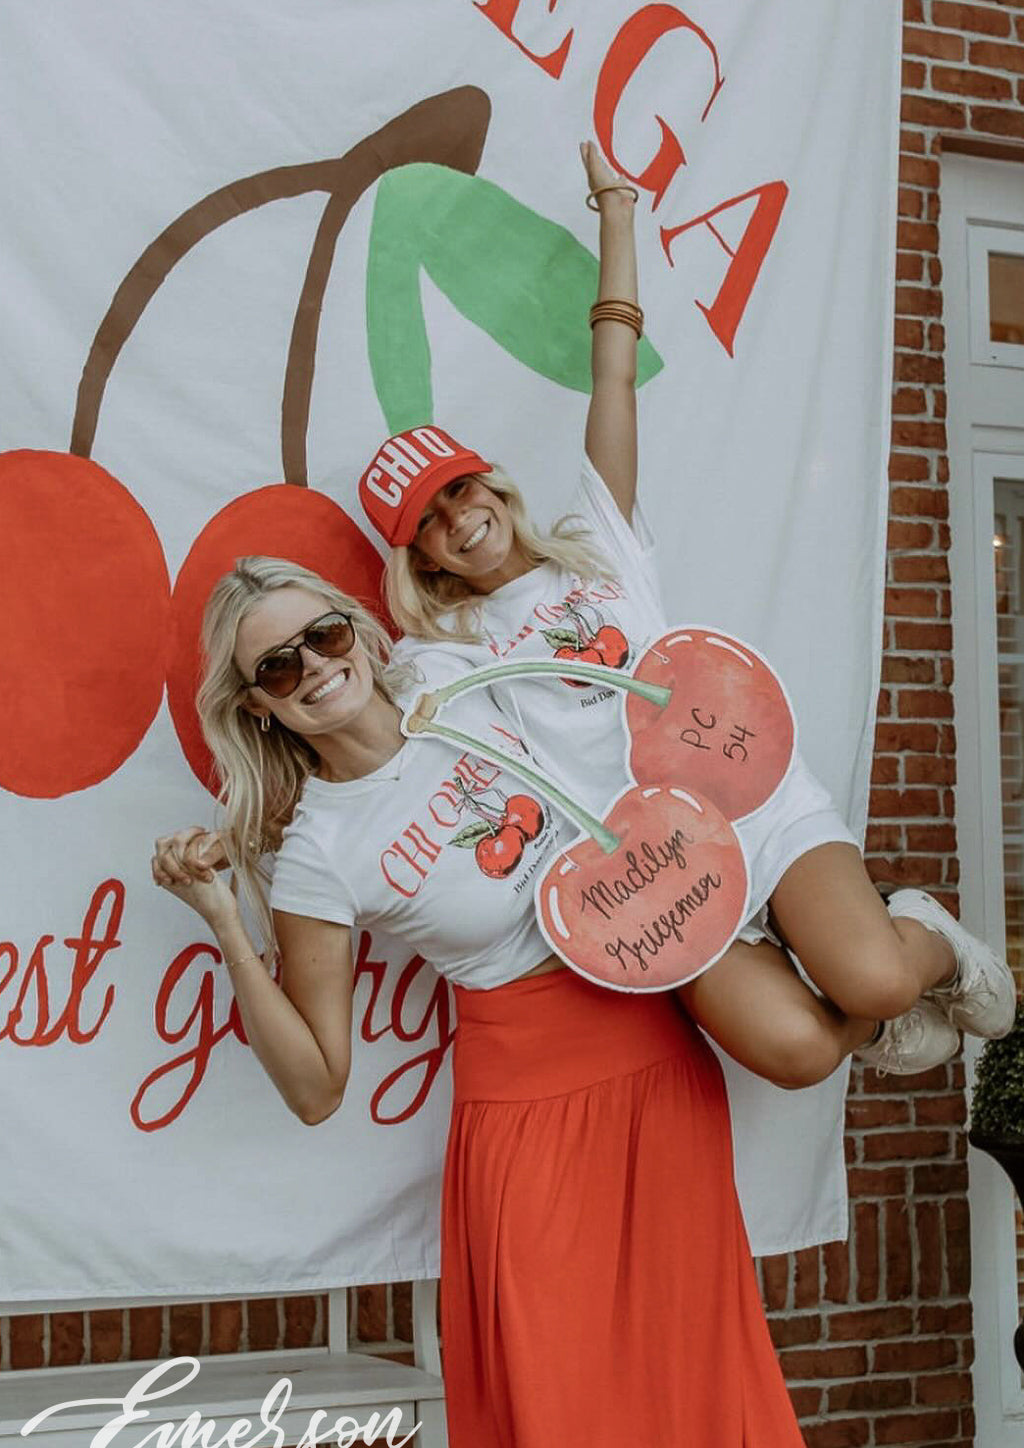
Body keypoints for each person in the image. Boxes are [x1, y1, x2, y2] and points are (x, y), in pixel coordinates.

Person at [153, 554, 847, 1448]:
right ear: (259, 705)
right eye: (275, 667)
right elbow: (315, 1087)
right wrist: (225, 920)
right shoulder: (320, 849)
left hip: (652, 1053)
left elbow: (615, 727)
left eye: (323, 635)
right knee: (562, 1407)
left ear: (356, 628)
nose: (311, 667)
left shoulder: (454, 680)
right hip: (525, 1123)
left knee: (692, 1369)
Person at [358, 140, 1016, 1087]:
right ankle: (863, 1030)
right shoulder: (448, 650)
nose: (460, 519)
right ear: (418, 551)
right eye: (431, 521)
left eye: (460, 492)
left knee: (872, 978)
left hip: (746, 793)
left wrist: (617, 218)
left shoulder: (599, 541)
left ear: (491, 484)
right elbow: (368, 734)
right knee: (795, 1055)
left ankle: (926, 942)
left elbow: (614, 373)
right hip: (655, 872)